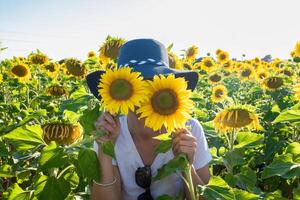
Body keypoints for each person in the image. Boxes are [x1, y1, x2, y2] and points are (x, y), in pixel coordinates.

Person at [86, 39, 212, 200]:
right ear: (121, 92)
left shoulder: (190, 130)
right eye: (137, 86)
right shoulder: (109, 131)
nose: (144, 96)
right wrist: (106, 151)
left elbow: (204, 196)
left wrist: (186, 165)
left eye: (152, 85)